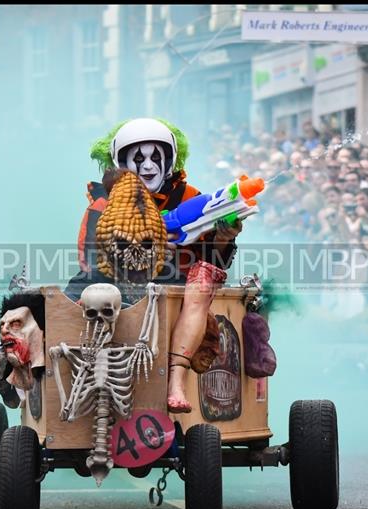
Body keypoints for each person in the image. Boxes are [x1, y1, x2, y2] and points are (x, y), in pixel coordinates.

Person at [66, 118, 242, 413]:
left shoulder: (192, 200)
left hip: (176, 289)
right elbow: (90, 259)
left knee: (192, 284)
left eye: (155, 157)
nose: (148, 166)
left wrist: (224, 239)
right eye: (139, 158)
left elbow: (213, 264)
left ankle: (176, 381)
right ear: (122, 162)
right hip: (115, 285)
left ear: (170, 160)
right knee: (71, 292)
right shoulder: (101, 204)